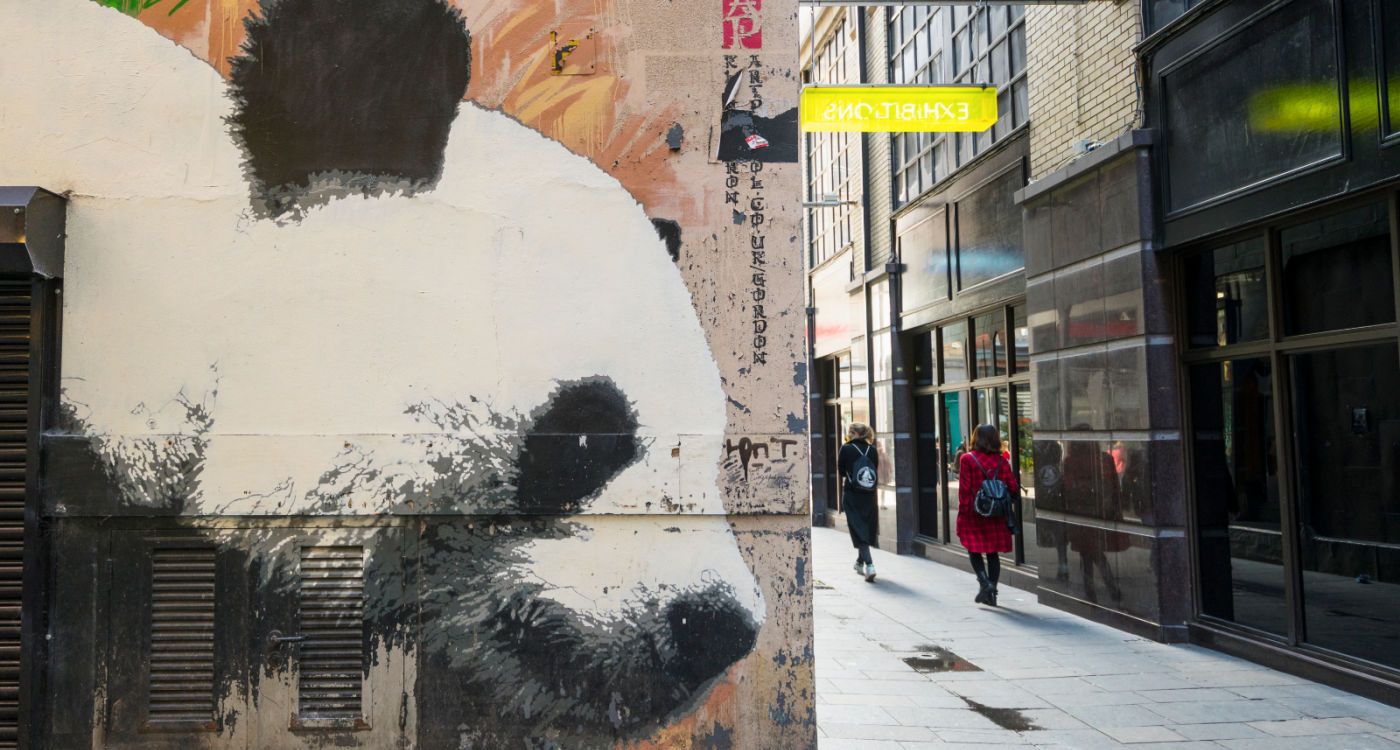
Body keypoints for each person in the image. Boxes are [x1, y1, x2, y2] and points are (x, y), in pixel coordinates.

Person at [957, 424, 1018, 606]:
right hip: (997, 514)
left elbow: (965, 490)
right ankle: (991, 595)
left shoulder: (967, 459)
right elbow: (1013, 488)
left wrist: (963, 512)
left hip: (975, 513)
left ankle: (985, 583)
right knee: (992, 553)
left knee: (973, 548)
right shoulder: (1002, 461)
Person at [838, 423, 879, 582]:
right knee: (865, 526)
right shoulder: (873, 449)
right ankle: (859, 562)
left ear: (855, 433)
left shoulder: (846, 448)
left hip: (852, 494)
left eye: (850, 431)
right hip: (869, 494)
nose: (848, 434)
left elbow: (841, 471)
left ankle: (870, 565)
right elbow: (875, 469)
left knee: (857, 527)